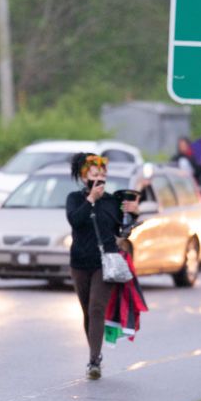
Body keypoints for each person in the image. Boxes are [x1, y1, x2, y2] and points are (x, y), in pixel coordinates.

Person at [65, 153, 139, 379]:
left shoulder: (111, 200)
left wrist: (132, 215)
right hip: (79, 261)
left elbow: (122, 232)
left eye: (102, 175)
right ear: (84, 176)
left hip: (105, 262)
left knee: (97, 308)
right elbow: (75, 221)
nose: (99, 179)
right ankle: (94, 353)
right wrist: (90, 200)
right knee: (87, 310)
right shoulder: (75, 198)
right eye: (94, 175)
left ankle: (94, 360)